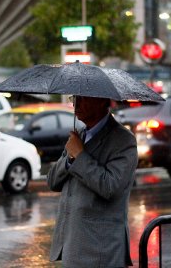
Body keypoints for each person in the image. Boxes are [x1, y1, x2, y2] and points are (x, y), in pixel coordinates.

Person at [47, 95, 138, 267]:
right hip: (71, 249)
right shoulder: (79, 135)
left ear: (103, 101)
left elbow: (110, 187)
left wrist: (80, 156)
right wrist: (70, 159)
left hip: (101, 253)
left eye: (83, 98)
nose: (76, 103)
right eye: (75, 97)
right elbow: (52, 181)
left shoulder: (123, 140)